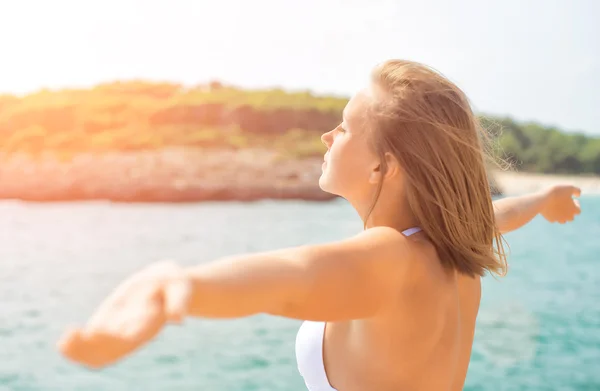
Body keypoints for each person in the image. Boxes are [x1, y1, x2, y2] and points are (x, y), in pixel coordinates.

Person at [57, 60, 581, 391]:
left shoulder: (391, 258)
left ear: (384, 166)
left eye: (346, 127)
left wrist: (182, 284)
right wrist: (543, 197)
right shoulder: (455, 246)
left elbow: (291, 278)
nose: (328, 136)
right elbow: (496, 216)